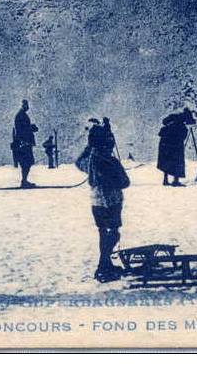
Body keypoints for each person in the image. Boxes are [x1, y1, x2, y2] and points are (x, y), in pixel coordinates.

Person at [76, 118, 130, 283]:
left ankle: (105, 265)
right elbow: (125, 182)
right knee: (113, 233)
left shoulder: (91, 160)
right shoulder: (110, 162)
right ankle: (103, 266)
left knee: (103, 233)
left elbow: (79, 162)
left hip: (97, 202)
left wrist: (90, 146)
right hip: (112, 201)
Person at [157, 109, 195, 187]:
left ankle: (165, 180)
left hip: (164, 144)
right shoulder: (181, 124)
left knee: (166, 161)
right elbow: (182, 136)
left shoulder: (172, 119)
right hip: (175, 145)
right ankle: (176, 180)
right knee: (178, 161)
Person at [11, 99, 38, 188]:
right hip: (23, 143)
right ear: (23, 106)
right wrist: (31, 128)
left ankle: (24, 181)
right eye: (26, 105)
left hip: (24, 142)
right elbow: (22, 129)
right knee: (26, 162)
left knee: (27, 162)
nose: (28, 107)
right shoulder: (21, 115)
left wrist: (31, 128)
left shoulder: (22, 115)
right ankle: (24, 181)